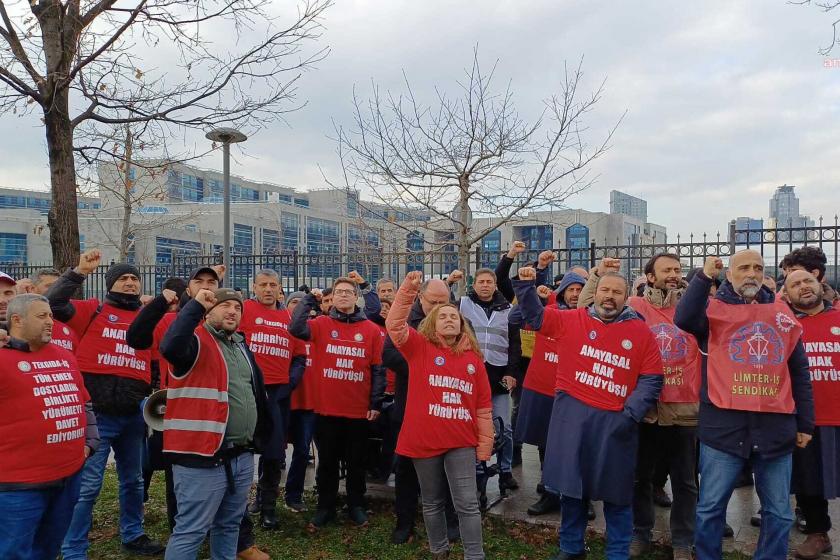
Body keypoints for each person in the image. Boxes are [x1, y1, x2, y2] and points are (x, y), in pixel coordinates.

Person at [513, 266, 663, 560]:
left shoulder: (641, 331)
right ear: (594, 294)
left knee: (617, 496)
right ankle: (571, 548)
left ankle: (618, 552)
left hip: (616, 424)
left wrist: (630, 413)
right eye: (605, 291)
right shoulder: (572, 320)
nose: (610, 297)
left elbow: (652, 377)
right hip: (573, 421)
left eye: (617, 292)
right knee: (571, 491)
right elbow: (536, 317)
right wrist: (526, 285)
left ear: (626, 297)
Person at [674, 251, 815, 560]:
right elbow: (683, 318)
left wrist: (805, 423)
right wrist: (703, 276)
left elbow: (799, 371)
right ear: (730, 274)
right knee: (711, 508)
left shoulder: (782, 314)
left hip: (774, 431)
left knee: (778, 513)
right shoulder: (712, 311)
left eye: (758, 268)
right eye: (744, 268)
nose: (751, 273)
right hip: (724, 430)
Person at [580, 254, 700, 559]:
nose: (673, 274)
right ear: (649, 276)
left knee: (685, 481)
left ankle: (683, 541)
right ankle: (641, 533)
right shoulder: (634, 307)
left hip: (683, 408)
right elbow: (586, 310)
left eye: (677, 269)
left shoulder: (694, 307)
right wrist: (598, 274)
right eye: (666, 270)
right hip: (643, 409)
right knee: (639, 477)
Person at [50, 249, 165, 559]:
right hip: (97, 416)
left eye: (134, 279)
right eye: (123, 278)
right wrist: (79, 272)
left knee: (134, 480)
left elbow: (153, 363)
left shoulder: (146, 320)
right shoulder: (92, 310)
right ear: (110, 283)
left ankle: (133, 533)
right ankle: (73, 548)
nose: (130, 283)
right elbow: (54, 303)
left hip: (133, 415)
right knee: (88, 487)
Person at [387, 271, 493, 560]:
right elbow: (395, 325)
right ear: (431, 322)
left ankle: (475, 555)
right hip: (423, 441)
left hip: (460, 441)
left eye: (453, 315)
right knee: (432, 502)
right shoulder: (418, 349)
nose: (448, 318)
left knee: (467, 503)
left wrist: (484, 445)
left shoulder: (473, 360)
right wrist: (408, 289)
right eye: (441, 315)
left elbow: (483, 406)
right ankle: (439, 551)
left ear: (462, 324)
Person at [159, 288, 271, 560]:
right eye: (224, 306)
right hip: (200, 456)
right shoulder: (193, 342)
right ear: (207, 311)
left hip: (240, 454)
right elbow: (170, 346)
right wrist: (194, 307)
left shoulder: (241, 346)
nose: (232, 311)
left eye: (238, 307)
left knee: (229, 525)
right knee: (192, 531)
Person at [0, 294, 99, 560]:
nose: (50, 322)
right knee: (12, 552)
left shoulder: (64, 355)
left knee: (48, 548)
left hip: (68, 476)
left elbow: (84, 402)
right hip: (17, 485)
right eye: (41, 316)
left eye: (51, 316)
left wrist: (90, 443)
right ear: (17, 320)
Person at [289, 276, 386, 528]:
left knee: (356, 462)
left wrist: (375, 404)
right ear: (333, 297)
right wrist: (310, 299)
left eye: (348, 291)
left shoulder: (372, 330)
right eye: (339, 291)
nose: (343, 295)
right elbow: (295, 328)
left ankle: (356, 505)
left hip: (358, 411)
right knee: (328, 462)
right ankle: (325, 506)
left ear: (356, 297)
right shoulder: (321, 324)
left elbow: (378, 369)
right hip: (326, 409)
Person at [382, 277, 459, 544]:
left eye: (444, 302)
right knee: (406, 467)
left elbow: (469, 353)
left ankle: (450, 520)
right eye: (433, 302)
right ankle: (404, 521)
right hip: (410, 405)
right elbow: (388, 354)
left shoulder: (456, 319)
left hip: (446, 408)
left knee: (448, 467)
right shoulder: (406, 320)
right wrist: (423, 366)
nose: (439, 307)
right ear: (421, 299)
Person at [511, 262, 586, 517]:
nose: (575, 294)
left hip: (576, 392)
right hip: (543, 387)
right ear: (562, 291)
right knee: (546, 443)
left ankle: (578, 497)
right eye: (571, 289)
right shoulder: (549, 311)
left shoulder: (593, 319)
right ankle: (550, 492)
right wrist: (532, 291)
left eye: (580, 289)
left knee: (577, 446)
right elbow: (515, 317)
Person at [239, 269, 306, 529]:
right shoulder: (243, 310)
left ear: (280, 289)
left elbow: (300, 357)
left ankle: (267, 507)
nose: (268, 289)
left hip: (278, 394)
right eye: (263, 285)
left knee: (274, 452)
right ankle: (237, 508)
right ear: (254, 287)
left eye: (273, 285)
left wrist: (289, 383)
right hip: (246, 391)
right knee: (241, 451)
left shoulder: (289, 317)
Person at [785, 270, 840, 559]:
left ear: (820, 283)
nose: (803, 287)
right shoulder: (785, 325)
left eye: (807, 281)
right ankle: (819, 533)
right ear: (787, 294)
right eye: (795, 284)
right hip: (806, 419)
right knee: (809, 481)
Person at [459, 265, 522, 492]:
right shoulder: (463, 305)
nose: (485, 286)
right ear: (473, 285)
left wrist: (511, 372)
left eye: (489, 282)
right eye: (481, 282)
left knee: (503, 427)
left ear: (495, 285)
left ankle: (505, 471)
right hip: (471, 375)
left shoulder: (508, 309)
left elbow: (515, 343)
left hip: (499, 374)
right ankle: (478, 469)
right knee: (475, 427)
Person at [284, 291, 318, 514]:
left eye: (302, 303)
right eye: (293, 303)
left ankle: (294, 495)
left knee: (302, 450)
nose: (298, 307)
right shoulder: (281, 330)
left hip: (307, 403)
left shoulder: (314, 331)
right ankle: (262, 498)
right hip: (283, 400)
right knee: (272, 451)